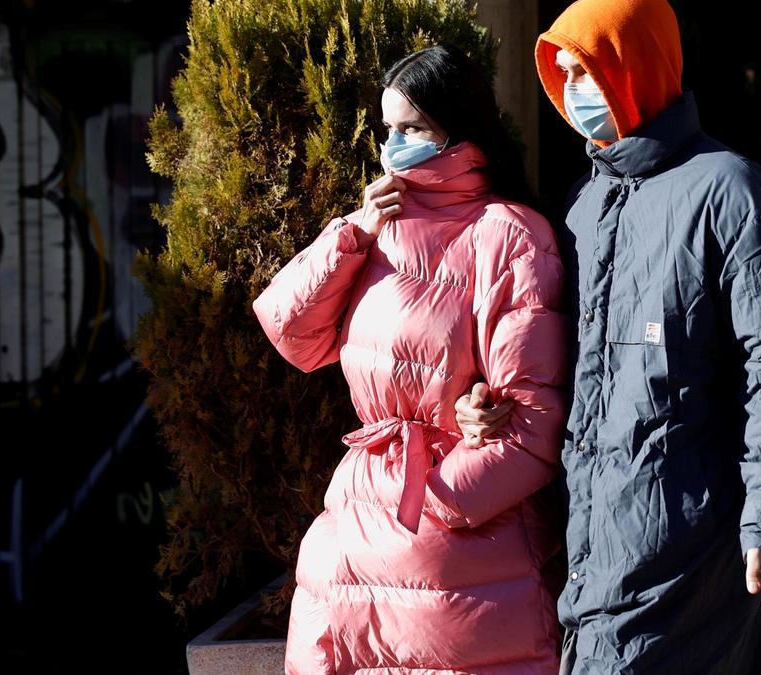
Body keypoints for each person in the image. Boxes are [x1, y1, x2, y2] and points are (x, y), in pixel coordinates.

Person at [456, 1, 761, 672]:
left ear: (639, 68)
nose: (577, 94)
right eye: (564, 74)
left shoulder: (729, 191)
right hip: (592, 555)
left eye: (589, 72)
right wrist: (485, 402)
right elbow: (552, 363)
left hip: (697, 567)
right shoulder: (580, 205)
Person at [253, 45, 567, 674]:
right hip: (349, 550)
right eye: (387, 129)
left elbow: (535, 425)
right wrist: (354, 233)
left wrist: (438, 505)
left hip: (459, 571)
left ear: (457, 127)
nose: (393, 144)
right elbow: (293, 333)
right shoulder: (378, 223)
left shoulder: (509, 234)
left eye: (412, 128)